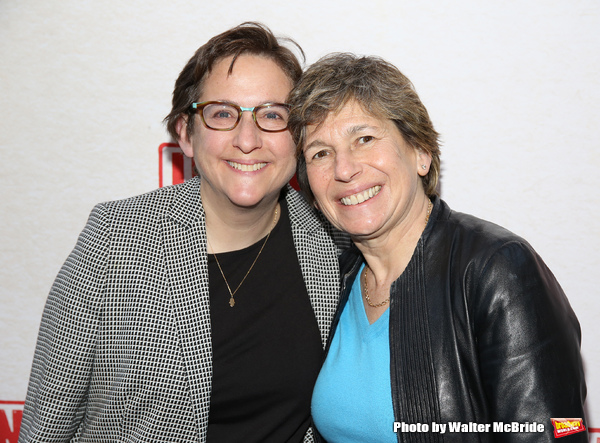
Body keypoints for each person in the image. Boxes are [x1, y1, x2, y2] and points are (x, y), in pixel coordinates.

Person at [18, 23, 347, 443]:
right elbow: (47, 423)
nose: (248, 140)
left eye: (272, 114)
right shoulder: (115, 237)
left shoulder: (331, 240)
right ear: (185, 134)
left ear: (298, 137)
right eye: (223, 113)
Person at [288, 53, 587, 442]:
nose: (344, 169)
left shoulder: (497, 270)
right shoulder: (334, 279)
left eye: (364, 138)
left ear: (421, 153)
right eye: (320, 153)